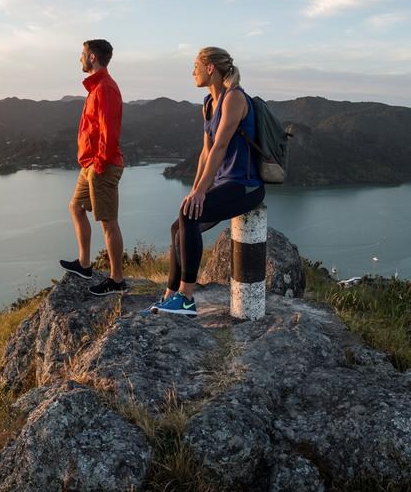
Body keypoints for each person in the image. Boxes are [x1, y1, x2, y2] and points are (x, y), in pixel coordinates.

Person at [148, 47, 265, 316]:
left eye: (195, 66)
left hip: (246, 186)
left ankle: (187, 299)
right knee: (178, 226)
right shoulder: (208, 104)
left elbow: (221, 146)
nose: (193, 72)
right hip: (225, 182)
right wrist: (195, 191)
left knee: (187, 217)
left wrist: (202, 191)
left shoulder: (233, 98)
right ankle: (170, 296)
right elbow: (205, 152)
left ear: (210, 67)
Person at [60, 39, 127, 295]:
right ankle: (85, 264)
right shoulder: (96, 87)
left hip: (102, 166)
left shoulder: (105, 88)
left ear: (92, 57)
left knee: (108, 222)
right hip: (90, 164)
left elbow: (109, 132)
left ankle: (117, 280)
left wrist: (99, 164)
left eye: (82, 54)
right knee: (76, 207)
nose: (79, 58)